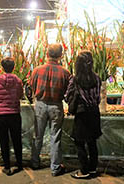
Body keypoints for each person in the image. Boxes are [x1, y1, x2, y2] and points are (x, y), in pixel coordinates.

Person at [29, 43, 71, 177]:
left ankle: (35, 162)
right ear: (60, 55)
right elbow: (67, 92)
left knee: (38, 135)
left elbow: (30, 86)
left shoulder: (37, 70)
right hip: (56, 106)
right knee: (55, 137)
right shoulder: (65, 72)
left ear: (47, 54)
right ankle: (55, 167)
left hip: (40, 105)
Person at [65, 50, 102, 179]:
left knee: (79, 142)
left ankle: (84, 170)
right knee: (92, 142)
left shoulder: (75, 79)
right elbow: (98, 98)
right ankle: (92, 168)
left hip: (82, 114)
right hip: (94, 112)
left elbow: (67, 96)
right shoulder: (97, 78)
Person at [0, 57, 23, 175]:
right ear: (14, 67)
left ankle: (7, 166)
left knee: (4, 141)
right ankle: (19, 164)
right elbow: (20, 95)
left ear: (2, 67)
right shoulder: (18, 81)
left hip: (1, 115)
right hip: (14, 114)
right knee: (16, 140)